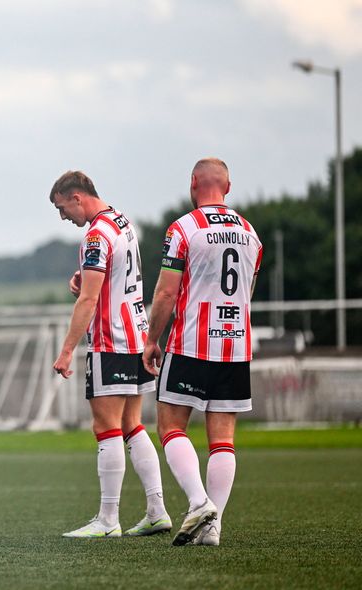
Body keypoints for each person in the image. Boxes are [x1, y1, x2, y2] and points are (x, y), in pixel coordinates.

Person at [142, 158, 262, 547]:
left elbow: (165, 292)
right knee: (222, 439)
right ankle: (214, 527)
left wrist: (151, 339)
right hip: (235, 343)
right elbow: (249, 291)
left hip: (192, 343)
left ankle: (198, 503)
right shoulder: (251, 233)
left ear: (194, 183)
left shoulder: (184, 229)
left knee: (171, 427)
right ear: (228, 186)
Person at [49, 171, 169, 539]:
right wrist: (83, 275)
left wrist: (67, 350)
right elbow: (113, 274)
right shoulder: (121, 222)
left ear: (76, 197)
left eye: (61, 208)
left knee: (105, 428)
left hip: (110, 340)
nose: (63, 217)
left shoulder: (95, 234)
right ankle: (156, 510)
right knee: (133, 425)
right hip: (136, 335)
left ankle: (107, 519)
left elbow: (90, 299)